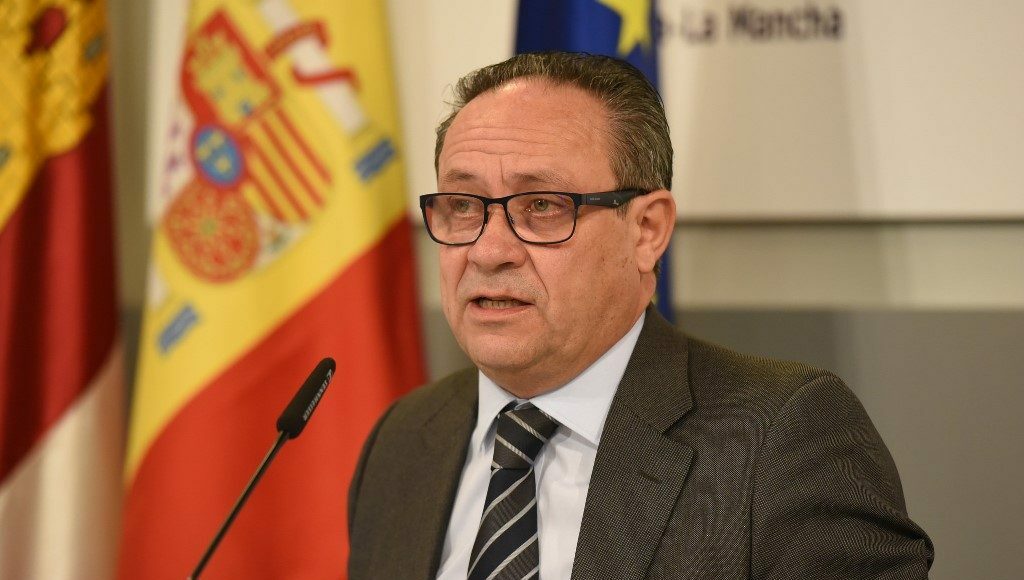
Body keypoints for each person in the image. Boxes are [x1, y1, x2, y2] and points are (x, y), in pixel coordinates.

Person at [348, 52, 933, 579]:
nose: (488, 250)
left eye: (543, 206)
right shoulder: (405, 438)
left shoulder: (780, 436)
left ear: (647, 230)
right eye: (462, 205)